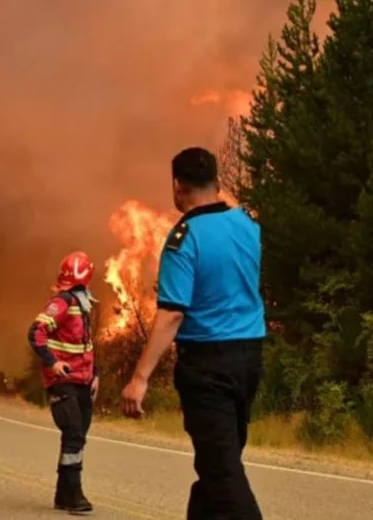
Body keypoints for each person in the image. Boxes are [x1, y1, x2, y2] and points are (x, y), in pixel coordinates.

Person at [120, 147, 266, 519]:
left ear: (177, 185)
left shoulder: (183, 239)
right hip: (248, 360)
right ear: (216, 181)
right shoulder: (248, 224)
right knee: (218, 464)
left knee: (222, 474)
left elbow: (171, 314)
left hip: (208, 367)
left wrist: (139, 378)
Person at [27, 250, 100, 516]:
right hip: (63, 382)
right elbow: (36, 332)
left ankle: (62, 495)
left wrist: (97, 375)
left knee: (76, 440)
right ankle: (75, 495)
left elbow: (88, 345)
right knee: (74, 435)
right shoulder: (62, 302)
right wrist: (52, 363)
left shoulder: (83, 305)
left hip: (82, 381)